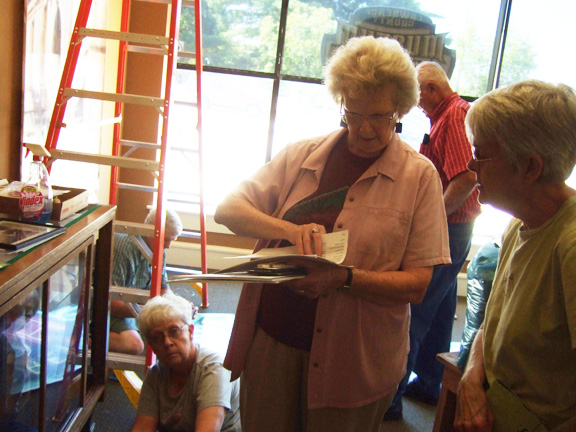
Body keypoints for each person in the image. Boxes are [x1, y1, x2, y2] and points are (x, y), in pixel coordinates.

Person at [214, 36, 451, 432]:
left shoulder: (419, 177)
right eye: (353, 113)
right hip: (273, 344)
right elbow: (228, 209)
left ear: (400, 109)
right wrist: (289, 229)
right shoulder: (302, 154)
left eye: (380, 116)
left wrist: (344, 279)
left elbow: (417, 285)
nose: (365, 129)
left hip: (354, 362)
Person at [454, 80, 576, 432]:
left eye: (481, 154)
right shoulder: (519, 221)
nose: (471, 166)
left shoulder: (569, 247)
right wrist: (473, 376)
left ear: (530, 167)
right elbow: (491, 325)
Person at [385, 61, 481, 420]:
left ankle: (390, 398)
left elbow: (465, 177)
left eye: (416, 96)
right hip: (458, 227)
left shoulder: (454, 116)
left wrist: (430, 222)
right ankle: (429, 383)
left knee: (416, 307)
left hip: (450, 227)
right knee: (440, 311)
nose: (414, 104)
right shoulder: (446, 115)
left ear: (432, 90)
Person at [131, 293, 241, 432]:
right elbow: (142, 428)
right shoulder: (156, 375)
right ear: (151, 346)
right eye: (157, 338)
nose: (167, 342)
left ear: (190, 332)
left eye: (174, 331)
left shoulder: (214, 368)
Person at [109, 208, 183, 354]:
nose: (168, 246)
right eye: (166, 239)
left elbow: (163, 288)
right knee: (134, 345)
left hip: (135, 307)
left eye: (171, 240)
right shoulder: (123, 249)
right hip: (110, 310)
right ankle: (84, 341)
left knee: (179, 325)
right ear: (150, 228)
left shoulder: (159, 249)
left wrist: (178, 305)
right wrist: (153, 311)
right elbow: (112, 303)